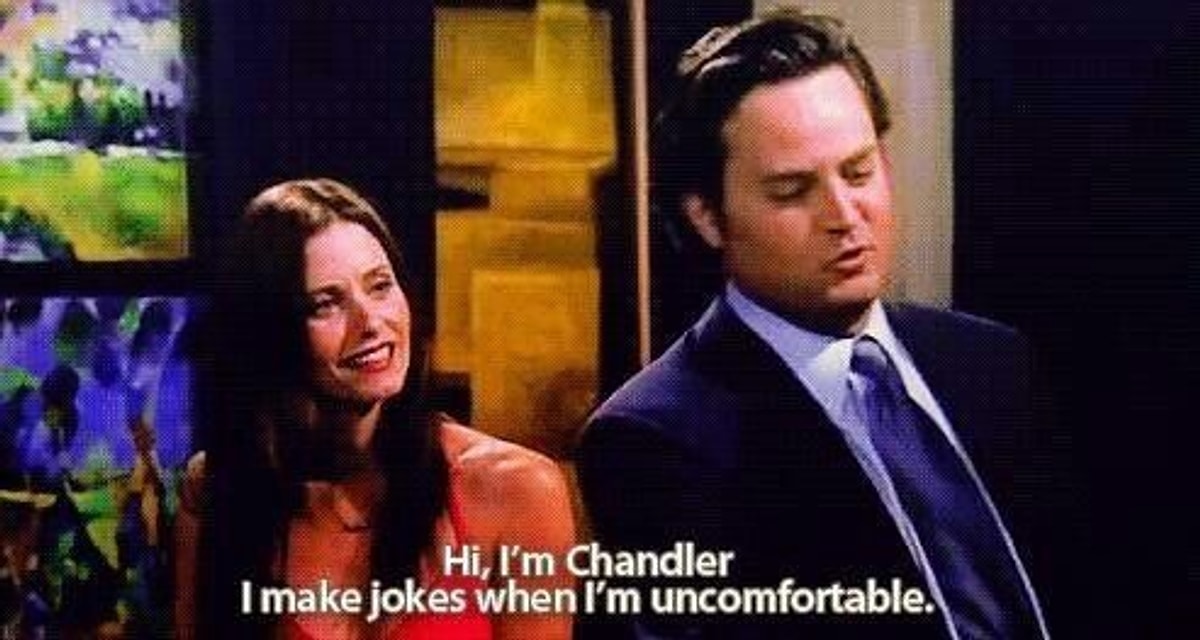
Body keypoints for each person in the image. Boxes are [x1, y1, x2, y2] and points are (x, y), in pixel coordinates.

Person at [579, 10, 1077, 639]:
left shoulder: (989, 361)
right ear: (707, 217)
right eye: (793, 191)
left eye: (859, 171)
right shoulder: (654, 440)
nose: (844, 215)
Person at [175, 179, 575, 639]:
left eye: (380, 286)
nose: (371, 323)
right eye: (326, 304)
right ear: (269, 333)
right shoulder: (216, 489)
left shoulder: (516, 489)